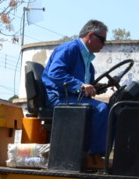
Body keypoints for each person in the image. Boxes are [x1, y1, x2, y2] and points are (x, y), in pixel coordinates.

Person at [41, 19, 110, 170]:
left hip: (72, 97)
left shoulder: (88, 62)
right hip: (58, 98)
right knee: (101, 110)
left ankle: (97, 153)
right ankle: (93, 156)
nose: (104, 44)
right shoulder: (69, 49)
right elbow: (55, 73)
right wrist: (81, 85)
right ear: (91, 35)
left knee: (112, 109)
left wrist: (95, 87)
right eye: (102, 40)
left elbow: (85, 86)